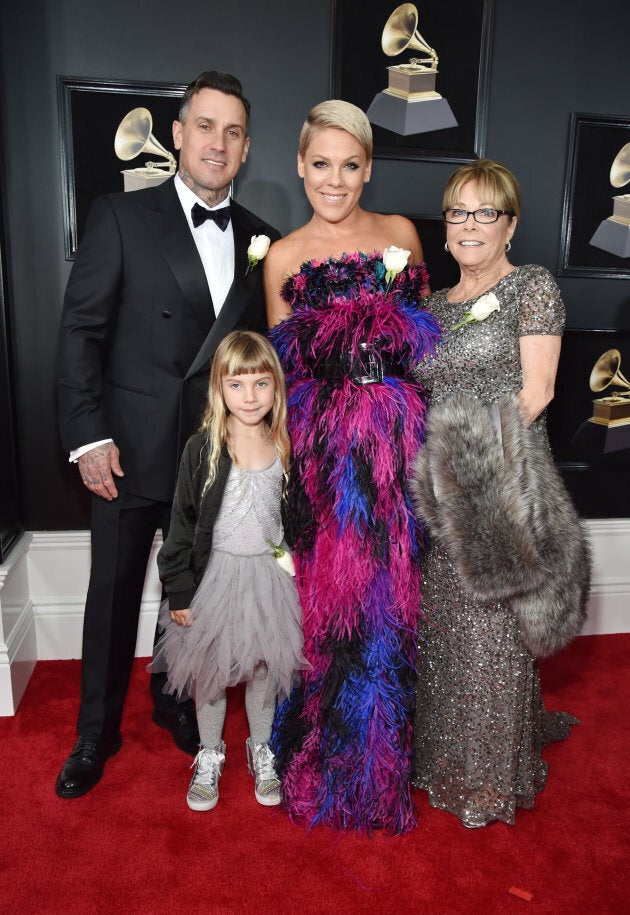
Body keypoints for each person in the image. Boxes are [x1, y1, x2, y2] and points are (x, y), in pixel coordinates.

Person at [55, 70, 280, 799]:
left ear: (246, 148)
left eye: (234, 131)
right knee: (114, 592)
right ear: (178, 135)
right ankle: (96, 730)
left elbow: (261, 357)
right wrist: (88, 436)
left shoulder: (261, 240)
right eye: (206, 126)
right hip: (128, 445)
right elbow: (81, 332)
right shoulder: (120, 215)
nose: (219, 142)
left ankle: (175, 696)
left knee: (194, 586)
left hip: (214, 456)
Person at [264, 100, 441, 833]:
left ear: (368, 167)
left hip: (397, 447)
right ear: (301, 166)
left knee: (390, 604)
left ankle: (384, 765)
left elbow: (427, 345)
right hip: (325, 458)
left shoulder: (400, 234)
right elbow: (275, 374)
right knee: (329, 610)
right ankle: (329, 764)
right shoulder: (282, 254)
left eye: (350, 165)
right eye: (320, 164)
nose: (334, 180)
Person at [410, 158, 581, 828]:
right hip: (433, 489)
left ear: (509, 224)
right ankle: (439, 756)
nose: (470, 224)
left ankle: (486, 777)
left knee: (491, 632)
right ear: (446, 227)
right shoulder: (427, 307)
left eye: (486, 211)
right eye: (458, 211)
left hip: (497, 477)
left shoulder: (531, 288)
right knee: (444, 627)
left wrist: (469, 465)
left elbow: (536, 393)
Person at [151, 330, 306, 811]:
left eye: (261, 384)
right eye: (237, 385)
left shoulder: (285, 444)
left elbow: (297, 519)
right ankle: (210, 752)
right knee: (212, 671)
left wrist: (298, 569)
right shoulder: (203, 450)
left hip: (269, 579)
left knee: (264, 665)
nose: (249, 396)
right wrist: (179, 589)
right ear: (219, 389)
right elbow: (181, 526)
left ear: (276, 388)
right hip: (215, 579)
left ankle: (261, 748)